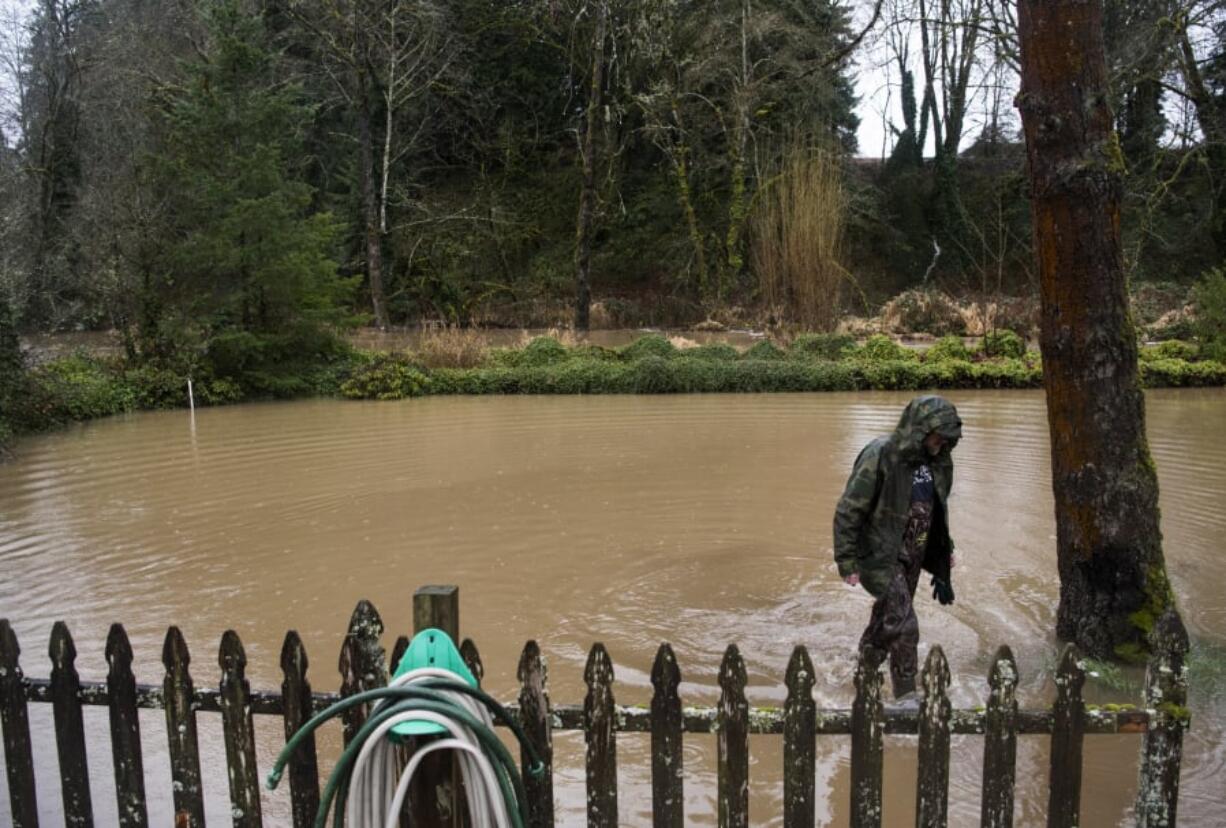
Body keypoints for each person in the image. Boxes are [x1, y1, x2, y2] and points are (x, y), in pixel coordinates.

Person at [832, 395, 962, 703]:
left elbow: (936, 508)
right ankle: (907, 699)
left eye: (946, 438)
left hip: (913, 554)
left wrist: (946, 549)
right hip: (882, 555)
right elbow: (849, 510)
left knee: (888, 618)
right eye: (936, 435)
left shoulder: (939, 459)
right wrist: (847, 560)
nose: (941, 442)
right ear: (918, 429)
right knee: (905, 626)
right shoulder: (880, 454)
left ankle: (865, 668)